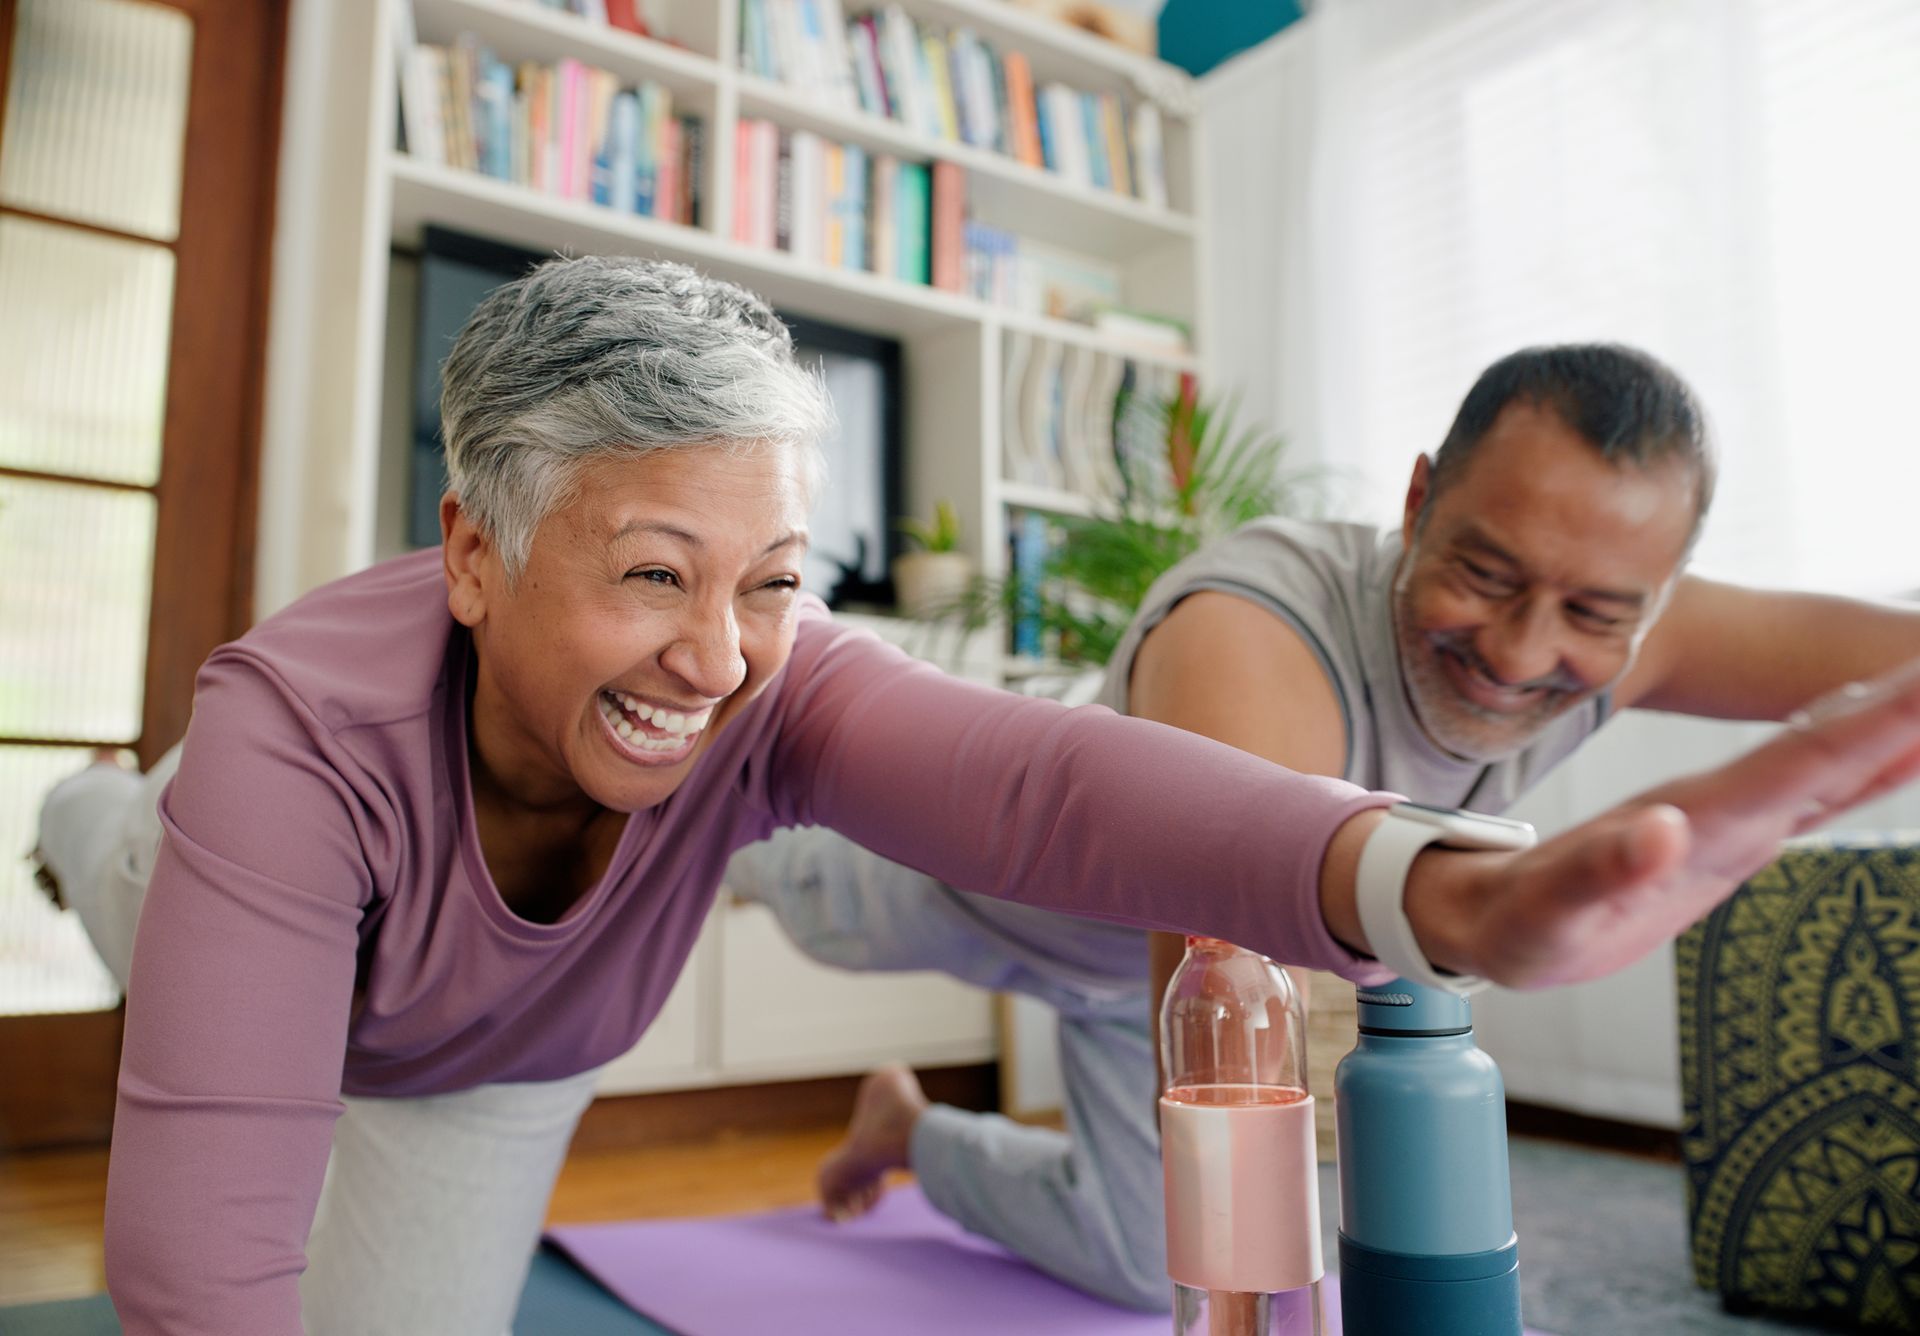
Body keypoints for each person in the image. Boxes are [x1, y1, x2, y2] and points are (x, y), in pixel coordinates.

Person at [30, 269, 1920, 1336]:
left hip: (492, 1050)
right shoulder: (302, 738)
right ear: (470, 549)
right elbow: (199, 1273)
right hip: (254, 870)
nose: (716, 652)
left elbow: (1031, 772)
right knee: (158, 869)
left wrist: (1443, 892)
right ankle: (91, 816)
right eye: (652, 574)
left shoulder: (781, 677)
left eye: (770, 574)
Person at [721, 343, 1920, 1311]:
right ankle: (730, 811)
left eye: (1596, 614)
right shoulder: (1252, 635)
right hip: (967, 884)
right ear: (1415, 502)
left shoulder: (1637, 615)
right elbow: (1226, 1025)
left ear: (1654, 601)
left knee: (1145, 1267)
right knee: (759, 853)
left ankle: (910, 1132)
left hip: (1131, 974)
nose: (1519, 651)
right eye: (1485, 577)